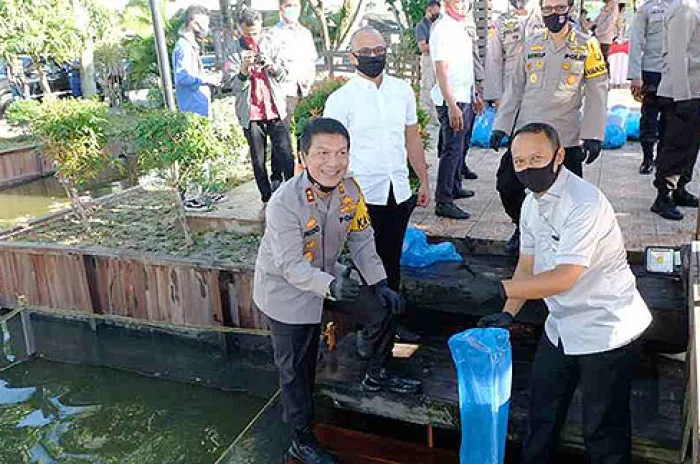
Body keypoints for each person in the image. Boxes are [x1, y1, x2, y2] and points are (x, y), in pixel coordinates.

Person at [479, 123, 652, 464]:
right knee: (541, 414)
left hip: (607, 329)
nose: (528, 167)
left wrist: (501, 288)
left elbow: (564, 277)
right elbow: (527, 266)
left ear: (559, 156)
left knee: (602, 431)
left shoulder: (583, 203)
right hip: (560, 326)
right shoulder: (531, 203)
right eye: (520, 161)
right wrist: (508, 312)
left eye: (537, 157)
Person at [255, 118, 421, 464]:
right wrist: (332, 286)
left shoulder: (351, 191)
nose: (333, 162)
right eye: (323, 153)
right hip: (287, 291)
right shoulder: (284, 202)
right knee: (296, 370)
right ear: (303, 156)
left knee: (383, 310)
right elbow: (291, 268)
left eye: (341, 152)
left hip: (331, 277)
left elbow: (362, 242)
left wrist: (379, 283)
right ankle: (300, 438)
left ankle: (377, 373)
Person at [324, 27, 431, 341]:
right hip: (361, 195)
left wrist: (423, 179)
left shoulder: (402, 91)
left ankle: (392, 324)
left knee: (392, 259)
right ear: (353, 56)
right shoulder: (340, 100)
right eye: (366, 52)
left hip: (397, 189)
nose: (374, 57)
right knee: (366, 264)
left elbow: (412, 138)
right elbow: (331, 152)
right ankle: (370, 330)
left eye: (379, 50)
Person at [490, 0, 608, 254]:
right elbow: (515, 88)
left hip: (565, 137)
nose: (553, 14)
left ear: (570, 9)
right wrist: (501, 126)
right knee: (508, 185)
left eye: (559, 8)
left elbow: (597, 90)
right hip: (527, 134)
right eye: (547, 9)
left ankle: (563, 241)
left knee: (570, 197)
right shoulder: (531, 43)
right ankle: (524, 228)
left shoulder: (587, 45)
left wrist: (593, 134)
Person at [225, 8, 294, 211]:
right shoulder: (232, 51)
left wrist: (271, 65)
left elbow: (285, 74)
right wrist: (243, 72)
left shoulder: (272, 44)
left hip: (275, 109)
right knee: (257, 159)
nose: (252, 38)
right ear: (239, 29)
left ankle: (291, 194)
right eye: (247, 34)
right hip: (251, 114)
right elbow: (234, 87)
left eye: (255, 33)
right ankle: (266, 199)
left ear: (261, 28)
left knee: (286, 154)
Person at [650, 0, 700, 220]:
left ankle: (680, 189)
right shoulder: (685, 9)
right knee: (676, 146)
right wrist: (683, 97)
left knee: (690, 146)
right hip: (681, 92)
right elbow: (677, 55)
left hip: (694, 90)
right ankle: (663, 197)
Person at [431, 0, 479, 219]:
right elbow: (441, 71)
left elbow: (465, 65)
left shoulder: (460, 27)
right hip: (451, 100)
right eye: (457, 1)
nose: (461, 5)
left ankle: (455, 186)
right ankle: (443, 200)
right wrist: (451, 105)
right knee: (451, 149)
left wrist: (474, 94)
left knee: (461, 146)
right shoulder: (441, 29)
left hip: (464, 95)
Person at [628, 0, 678, 175]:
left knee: (670, 118)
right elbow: (635, 42)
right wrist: (635, 76)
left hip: (675, 70)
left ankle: (662, 159)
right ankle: (647, 158)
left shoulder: (687, 7)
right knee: (649, 117)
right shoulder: (647, 9)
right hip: (651, 71)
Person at [484, 0, 544, 105]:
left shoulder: (544, 19)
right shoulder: (501, 22)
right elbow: (493, 60)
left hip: (539, 90)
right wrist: (497, 97)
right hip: (510, 90)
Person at [265, 0, 318, 116]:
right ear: (281, 8)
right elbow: (267, 64)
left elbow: (312, 60)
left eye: (295, 5)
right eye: (288, 5)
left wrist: (311, 83)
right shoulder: (272, 35)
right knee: (287, 131)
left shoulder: (305, 33)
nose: (292, 9)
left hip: (306, 92)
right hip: (284, 94)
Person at [172, 5, 220, 118]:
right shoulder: (184, 47)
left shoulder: (190, 46)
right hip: (193, 110)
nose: (206, 28)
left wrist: (207, 75)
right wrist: (208, 79)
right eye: (204, 24)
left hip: (198, 108)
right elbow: (183, 77)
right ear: (193, 24)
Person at [414, 0, 442, 124]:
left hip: (439, 59)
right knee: (427, 87)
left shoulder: (440, 25)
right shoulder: (422, 26)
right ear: (428, 10)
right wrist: (437, 45)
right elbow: (423, 47)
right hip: (428, 60)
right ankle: (426, 117)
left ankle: (437, 117)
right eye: (434, 12)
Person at [592, 0, 619, 69]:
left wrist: (596, 31)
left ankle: (605, 78)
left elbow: (608, 24)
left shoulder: (613, 7)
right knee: (597, 61)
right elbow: (596, 20)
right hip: (598, 38)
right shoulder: (605, 7)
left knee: (603, 61)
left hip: (605, 39)